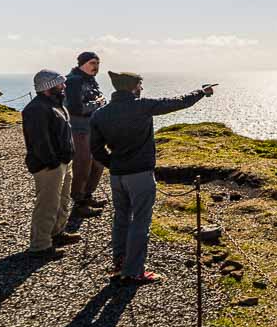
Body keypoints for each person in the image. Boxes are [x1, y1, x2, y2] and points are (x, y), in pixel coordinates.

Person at [89, 71, 214, 285]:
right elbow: (178, 102)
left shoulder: (100, 114)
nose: (142, 88)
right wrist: (201, 92)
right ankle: (134, 271)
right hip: (140, 175)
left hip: (117, 175)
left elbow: (96, 149)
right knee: (140, 221)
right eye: (140, 84)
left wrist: (113, 164)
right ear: (132, 87)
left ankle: (119, 264)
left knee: (121, 219)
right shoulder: (142, 106)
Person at [21, 69, 83, 255]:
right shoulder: (36, 109)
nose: (64, 86)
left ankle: (56, 233)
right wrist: (53, 162)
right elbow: (39, 140)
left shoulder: (56, 104)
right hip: (49, 166)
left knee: (62, 201)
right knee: (47, 204)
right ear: (48, 86)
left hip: (63, 162)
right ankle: (40, 245)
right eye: (59, 83)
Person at [63, 51, 107, 218]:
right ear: (82, 64)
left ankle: (88, 196)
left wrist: (100, 102)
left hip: (92, 128)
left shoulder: (89, 78)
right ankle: (79, 202)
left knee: (98, 162)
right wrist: (97, 103)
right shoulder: (74, 81)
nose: (96, 67)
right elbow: (75, 109)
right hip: (79, 129)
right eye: (92, 63)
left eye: (97, 63)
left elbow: (96, 98)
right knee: (83, 164)